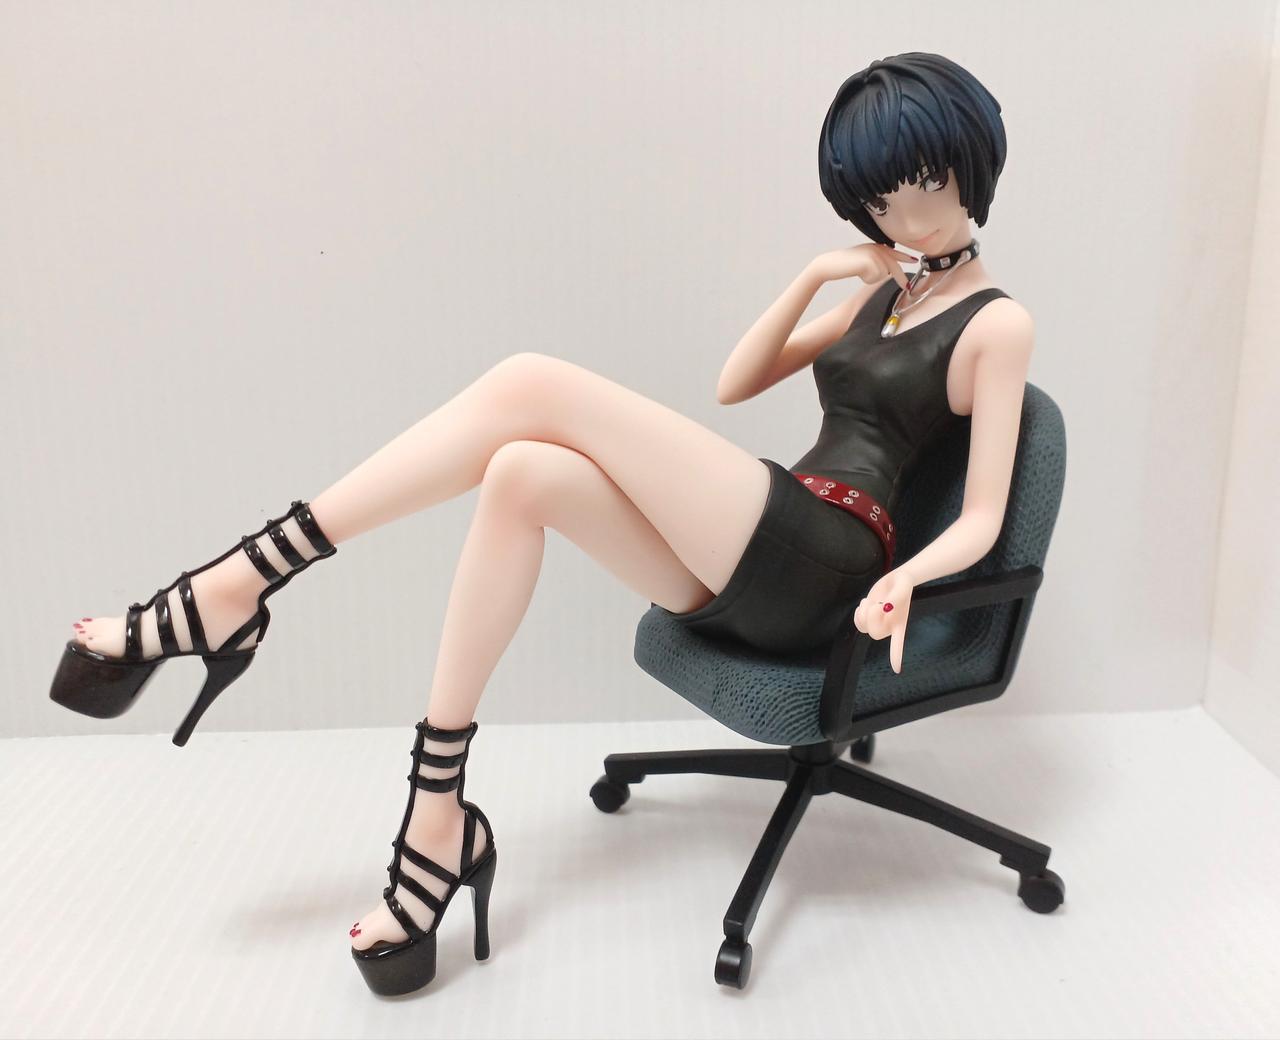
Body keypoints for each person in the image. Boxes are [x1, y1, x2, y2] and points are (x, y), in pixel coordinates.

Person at [49, 50, 1034, 996]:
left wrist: (907, 578)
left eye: (923, 183)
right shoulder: (883, 296)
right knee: (521, 473)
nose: (903, 213)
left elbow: (984, 516)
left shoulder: (995, 322)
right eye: (878, 199)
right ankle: (438, 815)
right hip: (769, 546)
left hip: (830, 562)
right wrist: (818, 274)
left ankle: (237, 582)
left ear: (970, 163)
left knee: (529, 382)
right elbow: (736, 382)